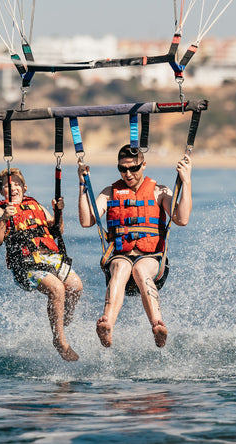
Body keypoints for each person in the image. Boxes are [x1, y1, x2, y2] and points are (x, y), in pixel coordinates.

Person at [78, 144, 192, 349]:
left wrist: (186, 181)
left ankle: (157, 325)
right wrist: (82, 185)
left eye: (133, 168)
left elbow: (181, 219)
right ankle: (107, 324)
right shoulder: (110, 192)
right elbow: (87, 221)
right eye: (122, 169)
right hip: (120, 257)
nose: (128, 173)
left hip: (151, 260)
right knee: (122, 267)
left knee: (139, 269)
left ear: (144, 165)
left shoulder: (160, 191)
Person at [0, 167, 83, 362]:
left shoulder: (36, 205)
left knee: (75, 287)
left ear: (25, 187)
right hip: (25, 265)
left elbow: (58, 230)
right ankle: (59, 340)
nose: (12, 188)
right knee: (57, 289)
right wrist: (5, 218)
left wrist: (59, 212)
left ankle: (62, 322)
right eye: (7, 185)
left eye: (17, 184)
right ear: (1, 192)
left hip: (50, 258)